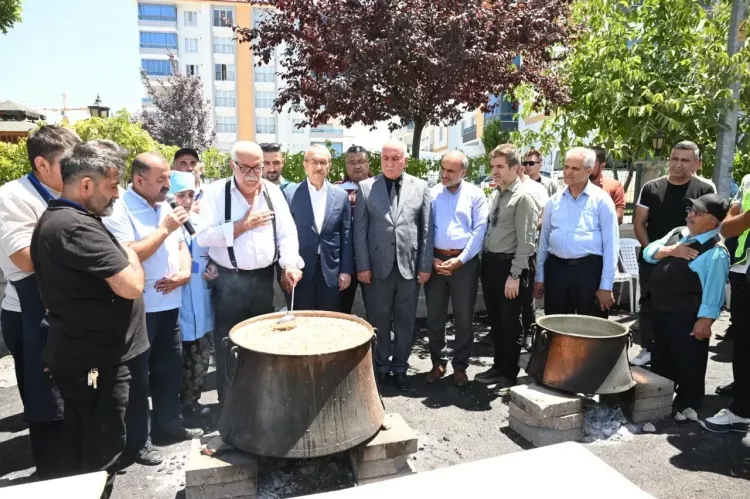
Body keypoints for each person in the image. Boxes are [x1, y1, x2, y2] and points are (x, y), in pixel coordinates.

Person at [30, 140, 149, 498]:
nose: (117, 194)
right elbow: (131, 286)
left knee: (89, 439)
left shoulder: (67, 218)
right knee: (102, 448)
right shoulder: (75, 227)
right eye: (112, 186)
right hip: (96, 361)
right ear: (86, 185)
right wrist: (131, 253)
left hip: (87, 355)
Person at [104, 152, 202, 467]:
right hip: (139, 308)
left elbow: (182, 246)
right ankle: (139, 441)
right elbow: (125, 255)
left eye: (168, 178)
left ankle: (168, 425)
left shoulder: (165, 205)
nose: (168, 185)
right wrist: (164, 229)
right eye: (161, 179)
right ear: (139, 180)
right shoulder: (120, 209)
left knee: (169, 369)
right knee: (139, 378)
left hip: (170, 304)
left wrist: (185, 272)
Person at [0, 125, 80, 478]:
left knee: (78, 392)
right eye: (67, 163)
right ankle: (52, 472)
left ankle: (81, 466)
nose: (76, 170)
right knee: (47, 399)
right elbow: (22, 257)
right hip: (31, 314)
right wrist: (84, 251)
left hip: (72, 309)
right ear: (41, 164)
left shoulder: (74, 190)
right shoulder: (13, 196)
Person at [196, 141, 303, 401]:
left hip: (263, 279)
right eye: (245, 168)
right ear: (232, 165)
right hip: (228, 280)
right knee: (228, 342)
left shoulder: (272, 192)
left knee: (261, 341)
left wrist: (289, 264)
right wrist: (242, 225)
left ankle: (258, 401)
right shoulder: (215, 193)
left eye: (258, 167)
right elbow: (203, 236)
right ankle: (228, 402)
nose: (253, 174)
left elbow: (287, 233)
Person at [641, 194, 729, 422]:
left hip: (686, 317)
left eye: (697, 213)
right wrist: (672, 250)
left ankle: (688, 406)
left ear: (712, 221)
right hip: (660, 311)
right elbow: (649, 253)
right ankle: (661, 403)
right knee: (661, 360)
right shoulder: (678, 233)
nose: (690, 215)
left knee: (689, 362)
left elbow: (714, 291)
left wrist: (705, 321)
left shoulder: (715, 251)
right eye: (690, 210)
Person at [354, 140, 433, 391]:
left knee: (405, 321)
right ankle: (380, 367)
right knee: (378, 319)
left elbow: (426, 229)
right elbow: (359, 231)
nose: (390, 163)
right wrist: (363, 266)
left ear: (405, 161)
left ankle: (400, 368)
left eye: (395, 158)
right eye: (385, 158)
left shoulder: (421, 187)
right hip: (377, 269)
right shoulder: (366, 187)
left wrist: (425, 266)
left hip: (409, 266)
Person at [632, 141, 715, 367]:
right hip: (654, 259)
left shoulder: (705, 189)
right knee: (648, 304)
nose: (678, 164)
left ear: (697, 163)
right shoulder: (651, 188)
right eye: (674, 158)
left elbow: (711, 225)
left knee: (683, 309)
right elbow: (639, 223)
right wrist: (654, 252)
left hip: (689, 261)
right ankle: (648, 347)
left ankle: (679, 353)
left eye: (685, 160)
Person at [475, 145, 538, 394]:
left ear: (516, 168)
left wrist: (514, 275)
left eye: (500, 166)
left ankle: (509, 375)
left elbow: (527, 242)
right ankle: (498, 366)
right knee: (496, 321)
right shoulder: (497, 194)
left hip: (510, 267)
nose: (495, 171)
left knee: (511, 323)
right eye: (493, 166)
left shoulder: (523, 198)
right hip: (491, 265)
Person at [425, 151, 488, 387]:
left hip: (465, 264)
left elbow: (479, 231)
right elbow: (424, 229)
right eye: (442, 168)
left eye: (451, 171)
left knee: (464, 318)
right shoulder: (432, 194)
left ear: (464, 172)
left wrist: (460, 260)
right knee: (435, 317)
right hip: (436, 262)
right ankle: (437, 363)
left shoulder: (475, 195)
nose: (444, 174)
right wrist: (431, 258)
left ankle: (460, 366)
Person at [534, 147, 618, 318]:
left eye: (574, 168)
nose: (568, 172)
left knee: (591, 325)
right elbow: (544, 242)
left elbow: (611, 245)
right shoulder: (554, 201)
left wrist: (606, 286)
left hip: (589, 272)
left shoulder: (601, 201)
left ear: (588, 171)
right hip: (557, 271)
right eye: (566, 167)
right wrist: (540, 277)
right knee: (556, 324)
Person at [701, 177, 750, 433]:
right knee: (743, 348)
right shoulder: (748, 182)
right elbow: (728, 228)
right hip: (744, 275)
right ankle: (741, 410)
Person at [284, 145, 353, 311]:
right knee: (303, 318)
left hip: (331, 269)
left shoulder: (341, 196)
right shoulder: (290, 194)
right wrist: (285, 268)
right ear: (305, 164)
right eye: (314, 162)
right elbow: (284, 233)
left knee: (329, 318)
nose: (318, 167)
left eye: (323, 162)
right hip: (300, 269)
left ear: (330, 166)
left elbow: (346, 235)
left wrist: (346, 270)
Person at [168, 171, 214, 417]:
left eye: (190, 195)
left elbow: (212, 254)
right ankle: (172, 412)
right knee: (176, 362)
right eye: (180, 196)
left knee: (200, 359)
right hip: (175, 303)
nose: (186, 201)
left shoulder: (201, 224)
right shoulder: (162, 226)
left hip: (201, 301)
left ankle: (192, 404)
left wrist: (213, 267)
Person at [517, 155, 549, 337]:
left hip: (530, 246)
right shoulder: (504, 187)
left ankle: (529, 331)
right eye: (524, 163)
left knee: (527, 293)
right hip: (508, 248)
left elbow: (545, 217)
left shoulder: (538, 188)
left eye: (531, 163)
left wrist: (526, 225)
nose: (527, 166)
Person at [338, 145, 372, 314]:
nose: (357, 166)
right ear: (346, 165)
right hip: (346, 259)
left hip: (372, 258)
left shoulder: (379, 188)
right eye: (352, 163)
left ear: (368, 163)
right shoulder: (336, 190)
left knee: (376, 308)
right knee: (341, 309)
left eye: (361, 161)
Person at [590, 146, 626, 225]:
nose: (587, 168)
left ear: (602, 166)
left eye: (591, 164)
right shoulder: (575, 186)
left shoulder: (614, 186)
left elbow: (618, 217)